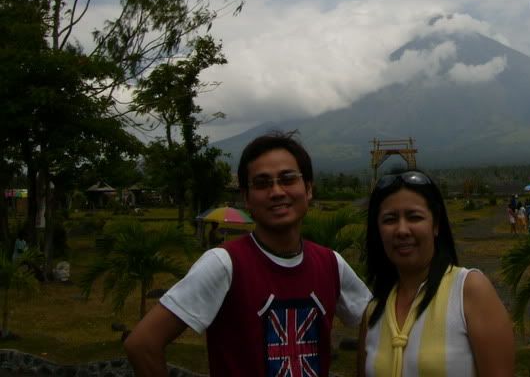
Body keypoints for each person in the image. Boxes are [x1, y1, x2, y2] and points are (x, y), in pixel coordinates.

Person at [124, 131, 371, 376]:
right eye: (262, 183)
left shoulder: (330, 263)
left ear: (308, 189)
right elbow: (143, 344)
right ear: (247, 199)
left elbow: (376, 322)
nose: (276, 192)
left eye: (287, 179)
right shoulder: (224, 264)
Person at [358, 169, 514, 377]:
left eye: (414, 217)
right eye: (389, 219)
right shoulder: (373, 312)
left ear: (436, 224)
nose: (402, 230)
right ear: (377, 229)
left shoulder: (469, 291)